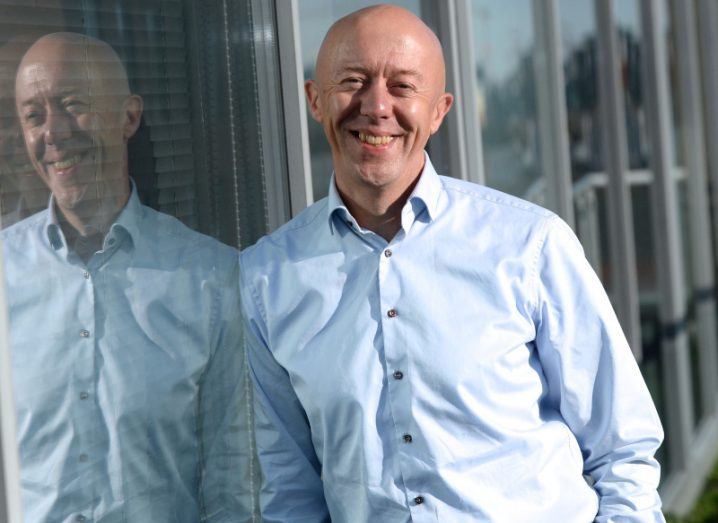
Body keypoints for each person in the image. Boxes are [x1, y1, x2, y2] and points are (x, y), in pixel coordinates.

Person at [240, 5, 664, 522]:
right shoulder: (268, 278)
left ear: (439, 111)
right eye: (353, 80)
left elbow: (622, 446)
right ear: (314, 100)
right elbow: (289, 489)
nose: (376, 106)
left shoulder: (528, 245)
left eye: (402, 87)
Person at [3, 32, 251, 521]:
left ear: (129, 117)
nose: (53, 132)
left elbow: (234, 480)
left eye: (73, 104)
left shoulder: (211, 280)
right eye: (34, 115)